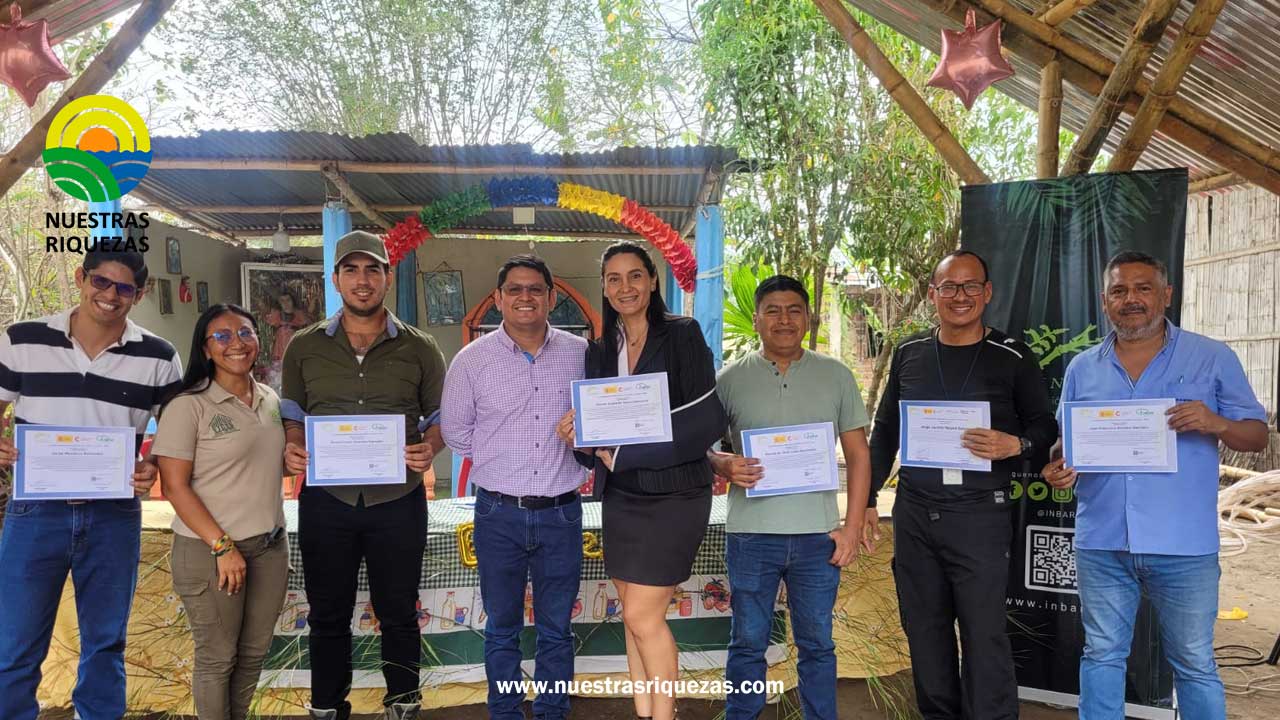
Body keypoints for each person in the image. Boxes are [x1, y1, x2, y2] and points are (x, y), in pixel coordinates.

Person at [1042, 251, 1268, 720]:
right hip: (1102, 540)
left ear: (1166, 295)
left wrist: (1214, 421)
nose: (1132, 299)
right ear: (1105, 302)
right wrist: (1058, 465)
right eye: (1120, 291)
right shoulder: (1083, 368)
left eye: (1143, 288)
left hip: (1183, 545)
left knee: (1194, 664)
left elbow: (1257, 434)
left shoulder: (1211, 357)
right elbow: (1067, 444)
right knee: (1101, 655)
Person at [868, 250, 1058, 720]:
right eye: (949, 287)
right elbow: (886, 430)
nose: (960, 296)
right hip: (915, 511)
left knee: (983, 632)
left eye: (971, 286)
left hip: (981, 513)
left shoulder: (1011, 356)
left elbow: (1044, 426)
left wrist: (1013, 444)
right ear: (933, 293)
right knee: (925, 630)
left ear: (987, 293)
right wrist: (867, 498)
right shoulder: (910, 353)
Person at [0, 246, 182, 720]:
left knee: (105, 643)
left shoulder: (159, 356)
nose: (110, 296)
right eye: (101, 282)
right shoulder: (22, 339)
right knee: (14, 641)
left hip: (113, 514)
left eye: (124, 289)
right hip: (36, 511)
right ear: (82, 278)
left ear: (138, 295)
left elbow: (179, 431)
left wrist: (154, 465)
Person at [279, 231, 447, 720]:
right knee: (327, 613)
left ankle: (403, 702)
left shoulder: (420, 348)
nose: (362, 280)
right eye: (351, 270)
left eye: (373, 269)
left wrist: (429, 449)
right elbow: (293, 412)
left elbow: (439, 419)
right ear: (335, 279)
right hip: (326, 500)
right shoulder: (304, 347)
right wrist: (293, 444)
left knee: (398, 610)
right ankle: (327, 706)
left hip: (398, 499)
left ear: (387, 278)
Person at [556, 242, 727, 720]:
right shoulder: (597, 350)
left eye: (635, 276)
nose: (624, 287)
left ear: (653, 281)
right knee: (634, 616)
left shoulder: (682, 334)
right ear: (605, 289)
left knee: (640, 615)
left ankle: (665, 715)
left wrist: (624, 455)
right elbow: (599, 445)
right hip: (622, 499)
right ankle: (645, 711)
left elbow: (705, 421)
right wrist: (576, 437)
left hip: (675, 494)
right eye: (613, 279)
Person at [709, 275, 871, 719]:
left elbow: (858, 456)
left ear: (808, 318)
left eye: (793, 310)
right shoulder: (728, 380)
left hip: (818, 537)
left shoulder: (836, 375)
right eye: (773, 311)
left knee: (817, 643)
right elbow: (702, 447)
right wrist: (720, 462)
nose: (784, 319)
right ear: (757, 319)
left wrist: (851, 527)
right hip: (751, 536)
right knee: (747, 642)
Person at [441, 255, 588, 720]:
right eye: (515, 290)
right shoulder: (471, 360)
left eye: (535, 289)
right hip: (497, 513)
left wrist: (581, 433)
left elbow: (603, 421)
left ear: (552, 297)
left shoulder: (582, 354)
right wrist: (499, 455)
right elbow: (456, 432)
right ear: (499, 298)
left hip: (562, 512)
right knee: (502, 628)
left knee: (556, 629)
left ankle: (551, 711)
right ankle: (504, 711)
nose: (526, 297)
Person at [152, 304, 289, 720]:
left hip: (268, 547)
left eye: (245, 333)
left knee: (251, 655)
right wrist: (222, 545)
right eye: (223, 336)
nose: (237, 343)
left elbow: (261, 462)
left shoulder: (269, 400)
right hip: (212, 552)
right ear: (205, 349)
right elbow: (174, 485)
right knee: (217, 657)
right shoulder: (188, 405)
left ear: (257, 341)